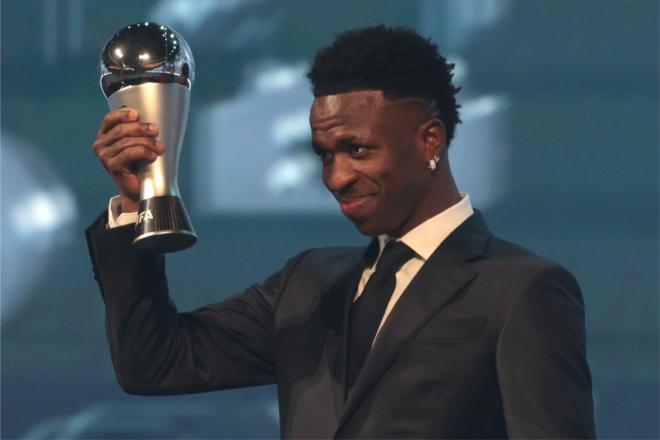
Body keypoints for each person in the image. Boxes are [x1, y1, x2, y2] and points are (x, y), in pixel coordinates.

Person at [86, 25, 595, 438]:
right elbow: (155, 364)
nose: (336, 177)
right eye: (325, 156)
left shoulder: (522, 290)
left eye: (358, 150)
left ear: (429, 140)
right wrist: (139, 201)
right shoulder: (308, 283)